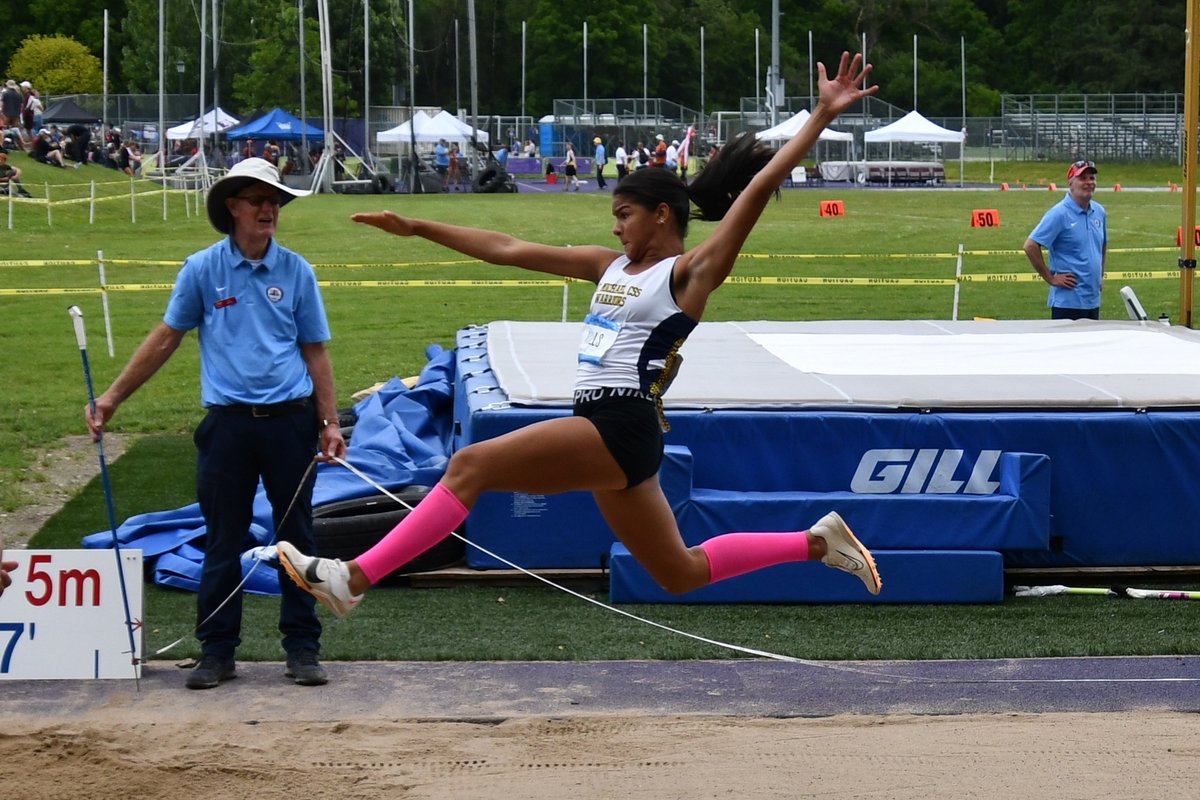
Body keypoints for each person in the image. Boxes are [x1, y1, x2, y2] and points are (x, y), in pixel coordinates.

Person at [277, 52, 881, 622]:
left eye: (624, 213)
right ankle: (814, 542)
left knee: (469, 464)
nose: (615, 225)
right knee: (679, 572)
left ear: (661, 215)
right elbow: (508, 249)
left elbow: (755, 188)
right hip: (608, 431)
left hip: (618, 426)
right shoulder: (607, 265)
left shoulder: (689, 272)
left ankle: (353, 579)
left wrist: (822, 115)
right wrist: (417, 226)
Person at [83, 158, 347, 689]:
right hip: (227, 427)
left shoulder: (297, 271)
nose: (270, 209)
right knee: (222, 538)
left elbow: (315, 351)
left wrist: (330, 422)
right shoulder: (202, 269)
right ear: (232, 207)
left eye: (275, 201)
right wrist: (112, 398)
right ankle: (217, 651)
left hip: (290, 424)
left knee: (296, 538)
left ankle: (302, 647)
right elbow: (165, 338)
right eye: (258, 200)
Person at [1023, 159, 1107, 320]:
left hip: (1092, 300)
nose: (1089, 183)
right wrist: (1051, 278)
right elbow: (1030, 245)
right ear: (1071, 183)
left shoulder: (1099, 211)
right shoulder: (1059, 213)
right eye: (1083, 178)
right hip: (1068, 303)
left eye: (1092, 178)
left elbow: (1102, 244)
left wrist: (1100, 275)